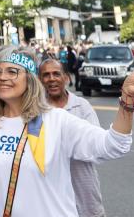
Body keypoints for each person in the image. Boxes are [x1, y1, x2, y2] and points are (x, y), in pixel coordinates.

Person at [0, 46, 134, 217]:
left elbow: (114, 145)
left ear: (30, 78)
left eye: (12, 71)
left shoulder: (56, 120)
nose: (2, 78)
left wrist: (128, 99)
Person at [39, 58, 105, 217]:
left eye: (56, 74)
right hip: (50, 194)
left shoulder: (82, 106)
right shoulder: (35, 110)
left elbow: (97, 148)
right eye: (46, 75)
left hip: (84, 190)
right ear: (40, 80)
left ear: (66, 78)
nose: (52, 79)